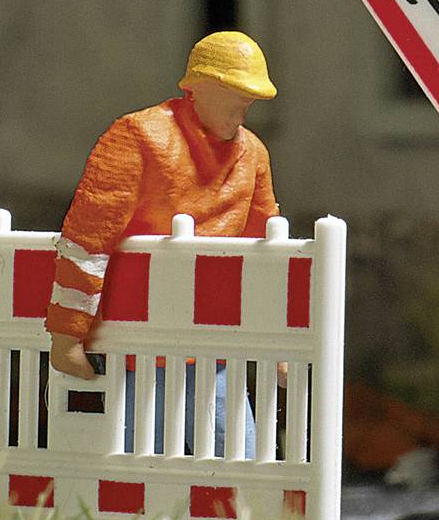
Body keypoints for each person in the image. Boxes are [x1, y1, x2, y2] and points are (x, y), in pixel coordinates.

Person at [45, 30, 281, 379]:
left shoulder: (253, 154)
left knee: (227, 435)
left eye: (247, 103)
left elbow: (265, 256)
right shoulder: (139, 137)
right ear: (197, 87)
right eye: (232, 99)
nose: (239, 115)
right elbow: (87, 240)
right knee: (143, 434)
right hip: (139, 345)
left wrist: (276, 348)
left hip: (213, 346)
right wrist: (67, 338)